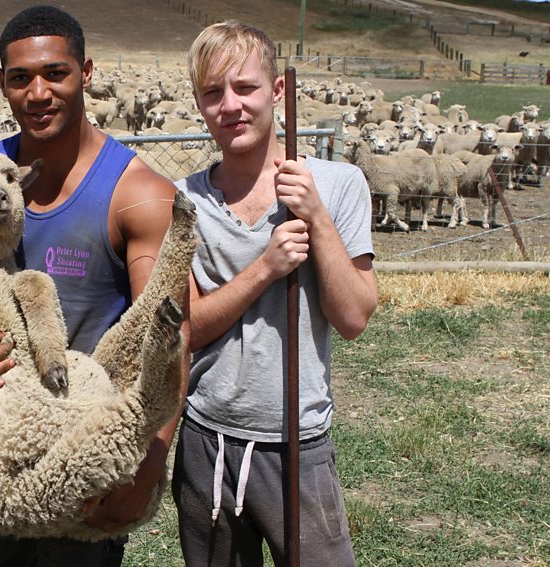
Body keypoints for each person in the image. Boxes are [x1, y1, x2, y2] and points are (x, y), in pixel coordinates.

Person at [0, 5, 187, 566]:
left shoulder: (136, 191)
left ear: (87, 72)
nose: (38, 92)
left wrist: (148, 457)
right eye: (20, 78)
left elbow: (167, 323)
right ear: (2, 83)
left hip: (84, 468)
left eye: (56, 73)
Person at [171, 20, 378, 567]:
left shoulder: (337, 184)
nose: (231, 106)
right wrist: (265, 268)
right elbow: (186, 328)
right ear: (198, 102)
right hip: (208, 438)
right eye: (213, 93)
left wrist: (316, 217)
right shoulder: (183, 201)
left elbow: (355, 316)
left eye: (245, 87)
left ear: (278, 91)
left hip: (298, 441)